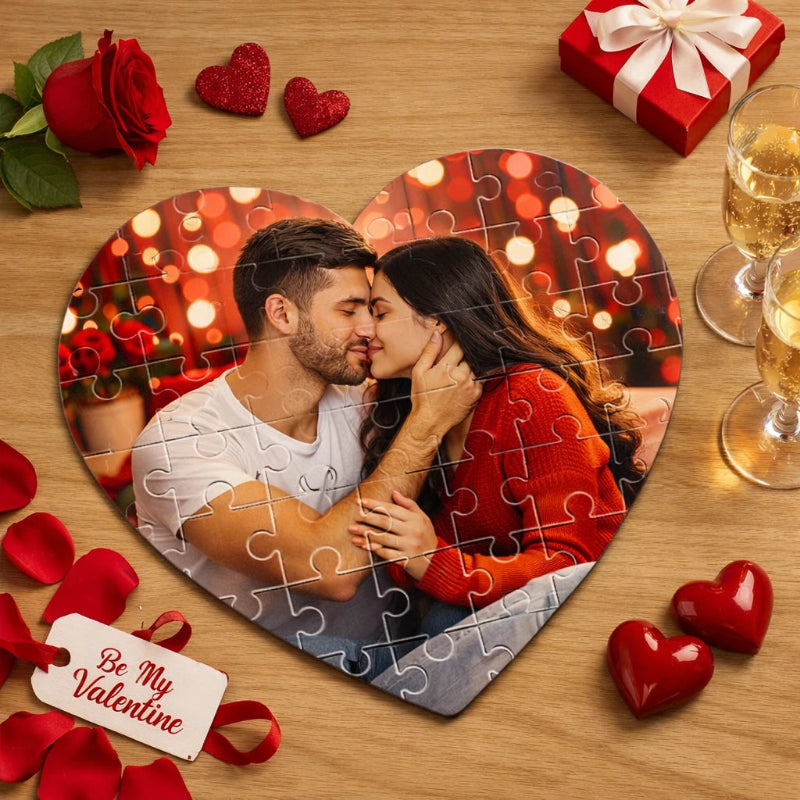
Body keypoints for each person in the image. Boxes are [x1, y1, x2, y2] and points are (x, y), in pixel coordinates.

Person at [131, 218, 481, 679]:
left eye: (374, 310)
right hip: (286, 682)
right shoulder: (179, 440)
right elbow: (328, 567)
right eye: (349, 310)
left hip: (410, 655)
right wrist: (425, 426)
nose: (369, 330)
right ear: (282, 314)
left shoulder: (370, 403)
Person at [349, 235, 645, 632]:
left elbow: (568, 566)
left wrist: (435, 563)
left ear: (438, 318)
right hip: (481, 618)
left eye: (380, 313)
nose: (366, 329)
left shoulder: (532, 395)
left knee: (443, 621)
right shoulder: (408, 409)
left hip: (582, 619)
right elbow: (403, 557)